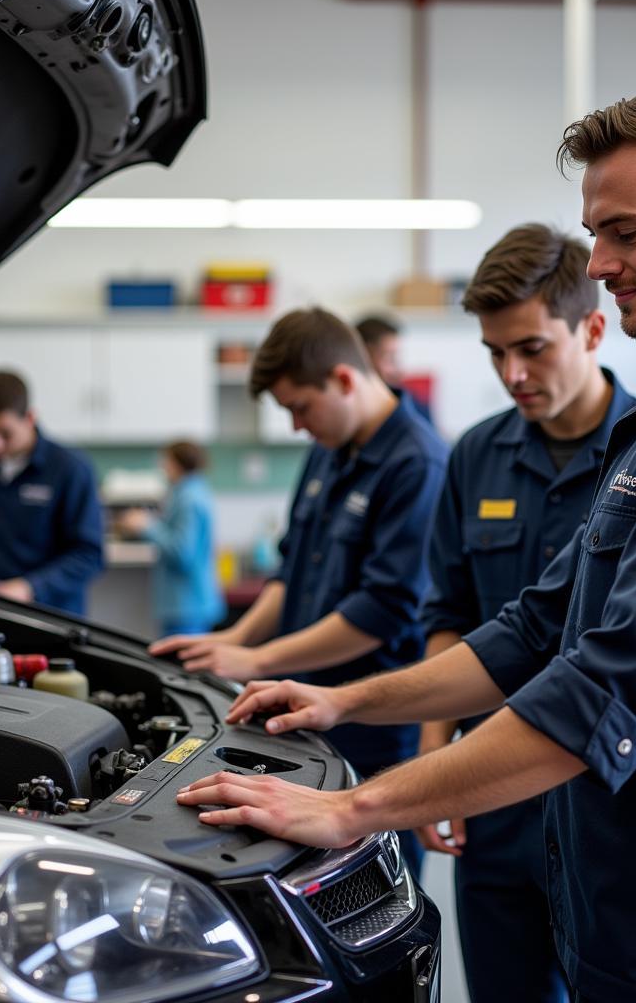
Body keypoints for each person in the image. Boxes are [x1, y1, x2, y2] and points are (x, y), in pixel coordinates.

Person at [170, 80, 636, 1003]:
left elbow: (615, 685)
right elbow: (535, 628)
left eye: (626, 232)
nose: (604, 262)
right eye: (596, 235)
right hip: (630, 906)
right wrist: (345, 704)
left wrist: (355, 810)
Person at [416, 223, 636, 1003]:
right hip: (493, 801)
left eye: (533, 348)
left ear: (594, 327)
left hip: (610, 809)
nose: (513, 373)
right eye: (495, 353)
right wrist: (436, 760)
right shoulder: (474, 455)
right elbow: (449, 610)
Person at [150, 307, 449, 878]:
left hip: (373, 727)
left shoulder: (419, 464)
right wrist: (233, 640)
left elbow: (381, 610)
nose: (295, 426)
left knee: (373, 886)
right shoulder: (329, 449)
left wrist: (259, 658)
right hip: (305, 709)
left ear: (342, 379)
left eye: (299, 408)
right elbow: (291, 568)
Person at [0, 370, 104, 615]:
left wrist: (31, 587)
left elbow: (89, 555)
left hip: (51, 618)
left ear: (30, 418)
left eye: (5, 434)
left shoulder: (71, 469)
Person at [118, 441, 225, 637]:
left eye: (165, 461)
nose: (162, 467)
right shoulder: (188, 492)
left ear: (177, 463)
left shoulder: (189, 498)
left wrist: (146, 526)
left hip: (186, 606)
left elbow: (182, 553)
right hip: (185, 604)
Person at [355, 312, 433, 421]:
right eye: (390, 358)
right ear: (364, 357)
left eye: (396, 358)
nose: (399, 371)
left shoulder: (412, 406)